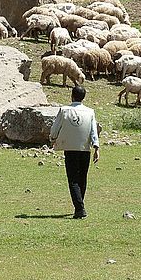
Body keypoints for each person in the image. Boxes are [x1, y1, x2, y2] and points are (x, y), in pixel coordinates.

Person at [49, 85, 100, 219]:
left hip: (70, 148)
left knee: (73, 179)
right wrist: (96, 147)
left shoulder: (64, 110)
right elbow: (93, 130)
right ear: (84, 97)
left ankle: (79, 208)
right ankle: (80, 205)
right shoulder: (90, 112)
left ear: (72, 96)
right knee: (82, 178)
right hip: (85, 149)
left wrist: (53, 139)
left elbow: (55, 127)